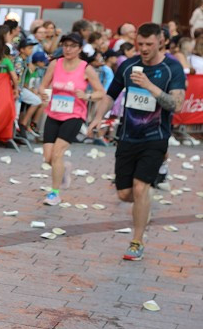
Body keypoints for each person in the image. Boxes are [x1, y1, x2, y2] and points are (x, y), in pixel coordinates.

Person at [87, 23, 186, 261]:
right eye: (140, 44)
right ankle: (144, 206)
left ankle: (136, 241)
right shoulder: (128, 65)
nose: (143, 49)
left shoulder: (172, 68)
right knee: (125, 194)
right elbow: (111, 94)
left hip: (156, 138)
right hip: (128, 137)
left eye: (149, 44)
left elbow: (177, 105)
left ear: (160, 42)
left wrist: (149, 86)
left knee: (141, 188)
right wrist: (97, 118)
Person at [38, 32, 105, 206]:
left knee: (58, 153)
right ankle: (64, 168)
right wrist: (43, 94)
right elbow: (43, 85)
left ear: (80, 48)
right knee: (48, 157)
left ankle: (54, 194)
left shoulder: (85, 68)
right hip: (54, 113)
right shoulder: (55, 63)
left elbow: (101, 93)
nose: (68, 49)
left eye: (72, 46)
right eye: (65, 45)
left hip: (74, 115)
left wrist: (86, 95)